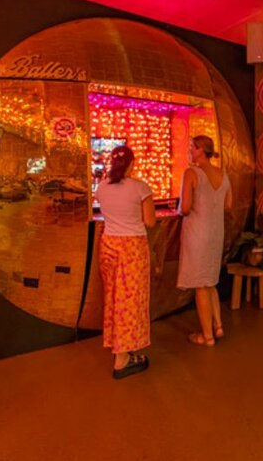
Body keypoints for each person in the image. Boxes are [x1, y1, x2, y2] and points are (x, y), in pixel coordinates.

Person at [95, 145, 156, 379]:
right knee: (130, 300)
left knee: (113, 297)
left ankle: (117, 343)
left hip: (109, 245)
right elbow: (149, 221)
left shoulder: (101, 187)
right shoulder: (140, 187)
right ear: (131, 163)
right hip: (132, 247)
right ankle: (122, 358)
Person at [178, 135, 232, 346]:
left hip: (197, 233)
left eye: (191, 147)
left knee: (201, 284)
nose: (190, 151)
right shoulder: (224, 174)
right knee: (211, 281)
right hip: (216, 232)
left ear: (200, 150)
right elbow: (228, 204)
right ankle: (218, 326)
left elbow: (185, 208)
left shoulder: (192, 173)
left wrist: (181, 206)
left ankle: (207, 336)